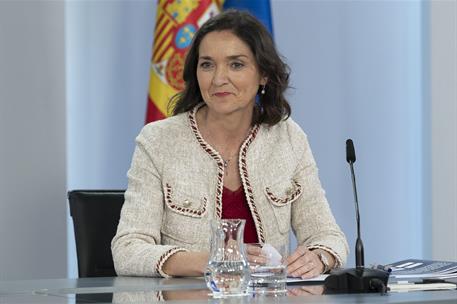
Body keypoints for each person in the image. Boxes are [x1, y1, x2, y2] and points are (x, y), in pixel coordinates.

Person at [112, 9, 348, 279]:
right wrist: (215, 259)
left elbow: (328, 236)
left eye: (236, 64)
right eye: (207, 64)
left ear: (264, 75)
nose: (218, 79)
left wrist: (319, 257)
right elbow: (127, 250)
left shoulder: (288, 138)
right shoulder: (158, 141)